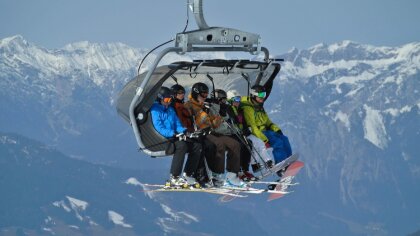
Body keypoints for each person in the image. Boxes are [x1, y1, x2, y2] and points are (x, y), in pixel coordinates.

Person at [184, 83, 246, 188]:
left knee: (235, 144)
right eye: (203, 95)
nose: (205, 97)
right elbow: (190, 120)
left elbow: (214, 123)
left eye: (206, 95)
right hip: (201, 133)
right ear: (195, 94)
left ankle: (231, 176)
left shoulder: (205, 105)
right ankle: (217, 175)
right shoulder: (189, 105)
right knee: (219, 144)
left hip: (211, 131)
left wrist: (219, 115)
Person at [150, 86, 202, 188]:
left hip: (174, 136)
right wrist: (172, 133)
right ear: (160, 98)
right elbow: (159, 128)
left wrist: (185, 131)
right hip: (164, 139)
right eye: (166, 99)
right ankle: (174, 177)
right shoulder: (155, 110)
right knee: (182, 146)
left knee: (196, 145)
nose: (169, 101)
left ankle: (188, 174)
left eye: (170, 99)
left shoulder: (170, 110)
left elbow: (177, 124)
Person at [240, 85, 293, 176]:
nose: (263, 97)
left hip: (266, 131)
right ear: (253, 95)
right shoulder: (248, 108)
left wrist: (276, 129)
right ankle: (280, 166)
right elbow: (253, 127)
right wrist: (264, 139)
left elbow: (267, 121)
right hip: (259, 133)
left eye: (264, 94)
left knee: (284, 139)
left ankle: (288, 162)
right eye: (260, 95)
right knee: (278, 142)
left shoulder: (259, 106)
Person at [170, 84, 213, 185]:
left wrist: (195, 130)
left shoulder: (183, 105)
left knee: (199, 146)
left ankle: (189, 174)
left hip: (188, 131)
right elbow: (177, 122)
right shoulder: (174, 107)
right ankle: (176, 176)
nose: (182, 95)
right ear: (174, 94)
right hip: (180, 134)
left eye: (183, 93)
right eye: (179, 93)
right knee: (195, 145)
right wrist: (183, 131)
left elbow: (191, 120)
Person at [225, 90, 256, 181]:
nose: (238, 101)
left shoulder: (239, 110)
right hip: (231, 133)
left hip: (240, 133)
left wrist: (246, 130)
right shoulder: (228, 109)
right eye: (235, 99)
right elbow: (231, 122)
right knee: (239, 145)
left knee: (248, 144)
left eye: (239, 99)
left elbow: (244, 123)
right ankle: (237, 171)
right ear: (230, 100)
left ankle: (245, 169)